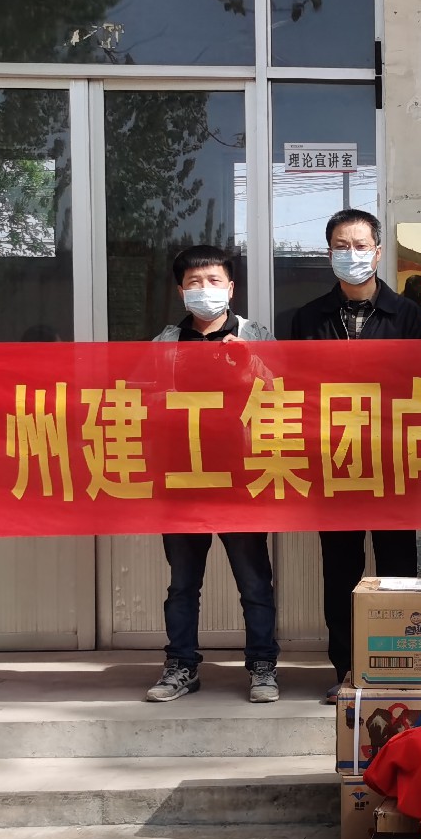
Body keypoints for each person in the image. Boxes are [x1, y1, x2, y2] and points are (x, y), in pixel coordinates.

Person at [284, 208, 421, 700]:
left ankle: (401, 665)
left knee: (398, 568)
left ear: (378, 251)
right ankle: (347, 669)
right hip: (335, 466)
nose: (352, 255)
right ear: (328, 253)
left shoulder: (408, 316)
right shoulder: (308, 318)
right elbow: (296, 391)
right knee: (340, 570)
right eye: (341, 247)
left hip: (393, 465)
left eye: (360, 245)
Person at [146, 246, 280, 704]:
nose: (205, 289)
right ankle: (180, 666)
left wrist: (249, 363)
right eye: (195, 282)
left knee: (254, 582)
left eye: (214, 281)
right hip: (182, 479)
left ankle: (263, 667)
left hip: (241, 479)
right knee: (183, 583)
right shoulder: (165, 343)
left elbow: (284, 393)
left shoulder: (254, 335)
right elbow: (141, 402)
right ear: (180, 291)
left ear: (231, 287)